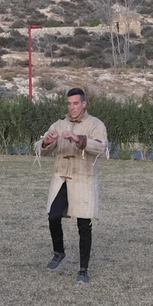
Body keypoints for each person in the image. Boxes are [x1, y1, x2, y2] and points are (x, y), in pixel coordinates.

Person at [36, 88, 109, 284]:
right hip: (61, 178)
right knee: (53, 216)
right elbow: (42, 149)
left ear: (84, 103)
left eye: (76, 103)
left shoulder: (95, 124)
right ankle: (59, 252)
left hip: (83, 179)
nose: (72, 107)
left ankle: (83, 269)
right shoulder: (59, 124)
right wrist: (46, 142)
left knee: (84, 225)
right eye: (69, 103)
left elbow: (102, 147)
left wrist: (79, 140)